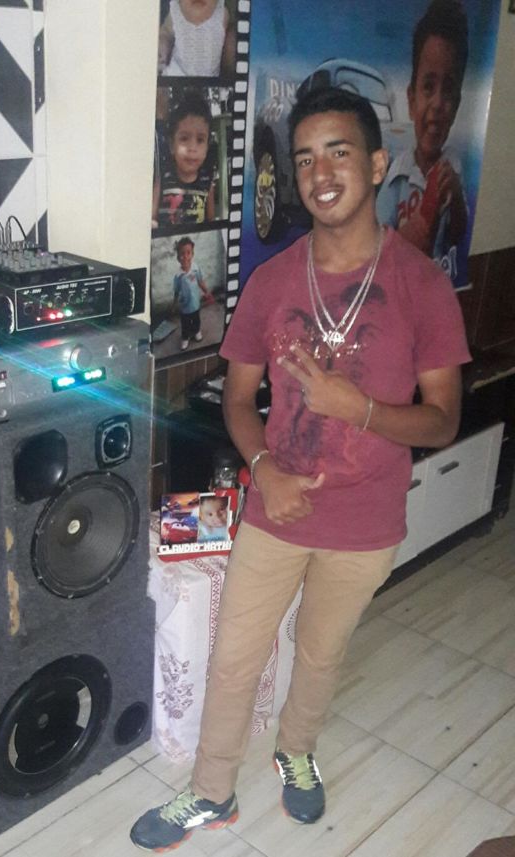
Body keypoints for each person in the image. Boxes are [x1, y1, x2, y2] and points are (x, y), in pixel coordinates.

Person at [131, 86, 470, 851]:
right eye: (306, 158)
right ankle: (212, 792)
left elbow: (444, 418)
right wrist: (263, 468)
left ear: (377, 165)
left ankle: (296, 751)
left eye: (338, 153)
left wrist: (361, 409)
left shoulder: (421, 285)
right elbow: (237, 399)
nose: (320, 173)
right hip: (276, 505)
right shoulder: (272, 281)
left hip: (367, 519)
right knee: (234, 657)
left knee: (320, 654)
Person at [377, 0, 468, 279]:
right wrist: (403, 238)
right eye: (428, 86)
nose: (438, 103)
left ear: (457, 106)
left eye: (448, 89)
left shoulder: (454, 167)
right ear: (411, 99)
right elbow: (374, 246)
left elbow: (457, 235)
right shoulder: (397, 176)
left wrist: (455, 199)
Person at [153, 91, 216, 227]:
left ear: (207, 146)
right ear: (171, 145)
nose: (192, 148)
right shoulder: (162, 178)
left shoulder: (207, 182)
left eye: (200, 140)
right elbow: (152, 219)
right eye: (184, 138)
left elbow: (211, 224)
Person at [158, 0, 236, 78]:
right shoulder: (176, 11)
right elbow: (166, 33)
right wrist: (163, 46)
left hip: (211, 78)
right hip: (177, 73)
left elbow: (230, 41)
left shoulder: (221, 13)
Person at [172, 236, 213, 350]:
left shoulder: (195, 269)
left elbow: (200, 281)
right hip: (184, 306)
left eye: (188, 253)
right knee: (185, 323)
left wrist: (207, 291)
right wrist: (174, 304)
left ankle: (196, 331)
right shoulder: (178, 276)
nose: (185, 256)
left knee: (196, 319)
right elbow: (176, 291)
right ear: (178, 258)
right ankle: (185, 338)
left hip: (195, 303)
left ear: (192, 254)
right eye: (182, 254)